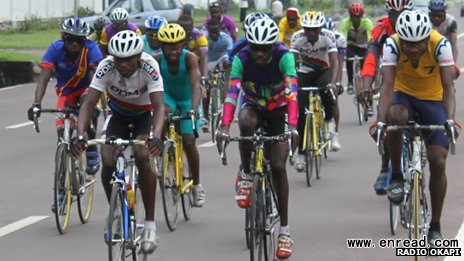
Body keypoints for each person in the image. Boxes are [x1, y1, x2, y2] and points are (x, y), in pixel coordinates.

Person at [71, 30, 165, 253]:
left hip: (144, 116)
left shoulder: (150, 66)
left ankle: (150, 224)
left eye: (128, 60)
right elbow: (88, 104)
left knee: (143, 155)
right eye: (118, 59)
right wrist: (80, 133)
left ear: (139, 57)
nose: (122, 64)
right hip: (117, 115)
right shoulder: (106, 66)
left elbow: (159, 106)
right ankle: (115, 211)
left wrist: (156, 137)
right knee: (108, 158)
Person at [374, 10, 460, 247]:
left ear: (427, 38)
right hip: (404, 96)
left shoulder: (440, 45)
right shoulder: (392, 45)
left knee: (438, 161)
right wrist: (381, 122)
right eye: (408, 44)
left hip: (434, 99)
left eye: (419, 44)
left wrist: (450, 120)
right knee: (394, 117)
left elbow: (449, 88)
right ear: (401, 38)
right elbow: (387, 87)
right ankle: (398, 177)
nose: (413, 49)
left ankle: (435, 227)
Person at [217, 17, 298, 259]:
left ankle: (284, 231)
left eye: (266, 48)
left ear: (274, 45)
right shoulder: (242, 58)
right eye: (256, 48)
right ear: (249, 44)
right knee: (246, 122)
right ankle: (246, 173)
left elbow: (292, 92)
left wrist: (293, 125)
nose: (260, 53)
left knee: (277, 166)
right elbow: (232, 94)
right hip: (252, 105)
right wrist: (223, 126)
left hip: (279, 108)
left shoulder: (285, 57)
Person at [27, 17, 103, 178]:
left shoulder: (91, 48)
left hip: (86, 88)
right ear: (63, 38)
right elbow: (44, 77)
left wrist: (94, 105)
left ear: (84, 40)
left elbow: (95, 77)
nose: (75, 44)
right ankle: (62, 185)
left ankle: (91, 149)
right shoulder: (55, 49)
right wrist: (36, 103)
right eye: (70, 40)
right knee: (61, 135)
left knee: (85, 109)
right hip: (66, 92)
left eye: (79, 40)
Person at [362, 0, 414, 195]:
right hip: (391, 76)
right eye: (394, 15)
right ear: (388, 15)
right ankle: (385, 168)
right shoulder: (381, 29)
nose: (398, 19)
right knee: (384, 120)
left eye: (402, 14)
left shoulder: (420, 23)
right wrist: (367, 83)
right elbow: (371, 56)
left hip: (416, 78)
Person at [155, 23, 206, 207]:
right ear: (162, 46)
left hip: (187, 100)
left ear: (183, 44)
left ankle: (197, 186)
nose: (173, 50)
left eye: (176, 45)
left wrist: (193, 108)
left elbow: (195, 83)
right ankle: (160, 156)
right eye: (168, 46)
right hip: (168, 99)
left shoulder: (190, 58)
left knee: (189, 140)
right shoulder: (158, 59)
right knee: (162, 114)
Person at [290, 11, 339, 173]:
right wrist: (291, 84)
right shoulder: (297, 37)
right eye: (308, 29)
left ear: (320, 28)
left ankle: (328, 120)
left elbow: (334, 61)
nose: (311, 33)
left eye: (315, 29)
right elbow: (291, 63)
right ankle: (302, 154)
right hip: (305, 73)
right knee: (302, 114)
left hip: (323, 70)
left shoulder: (328, 36)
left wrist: (333, 83)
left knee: (326, 89)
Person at [202, 18, 233, 132]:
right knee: (207, 88)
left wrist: (228, 67)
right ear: (208, 30)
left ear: (220, 29)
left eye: (216, 32)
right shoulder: (204, 37)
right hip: (208, 61)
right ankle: (205, 117)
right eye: (212, 32)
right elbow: (202, 56)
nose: (214, 34)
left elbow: (231, 54)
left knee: (226, 62)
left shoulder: (225, 38)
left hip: (221, 59)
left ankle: (224, 90)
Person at [340, 3, 373, 95]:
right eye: (353, 16)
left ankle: (365, 83)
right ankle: (350, 82)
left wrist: (370, 47)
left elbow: (371, 37)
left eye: (358, 17)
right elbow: (343, 37)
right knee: (349, 60)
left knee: (365, 63)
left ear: (362, 16)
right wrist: (342, 53)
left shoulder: (367, 22)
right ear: (350, 16)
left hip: (363, 45)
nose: (356, 19)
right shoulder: (345, 23)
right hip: (351, 45)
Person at [428, 0, 460, 76]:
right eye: (433, 15)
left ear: (445, 14)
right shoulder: (425, 22)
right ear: (429, 14)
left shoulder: (451, 22)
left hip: (446, 46)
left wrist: (453, 63)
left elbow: (453, 44)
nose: (436, 18)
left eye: (440, 16)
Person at [177, 14, 208, 81]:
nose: (185, 33)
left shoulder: (199, 36)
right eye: (183, 30)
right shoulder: (174, 35)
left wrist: (204, 76)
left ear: (192, 27)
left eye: (188, 30)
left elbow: (204, 57)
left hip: (197, 62)